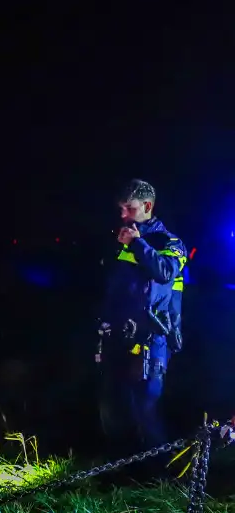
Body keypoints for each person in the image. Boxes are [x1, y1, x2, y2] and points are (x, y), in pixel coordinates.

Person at [96, 179, 188, 456]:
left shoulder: (169, 242)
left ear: (147, 206)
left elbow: (165, 272)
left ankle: (160, 479)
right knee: (112, 406)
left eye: (130, 208)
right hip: (116, 336)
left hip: (152, 337)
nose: (123, 215)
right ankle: (117, 474)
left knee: (145, 408)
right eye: (121, 209)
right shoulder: (120, 239)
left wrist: (137, 244)